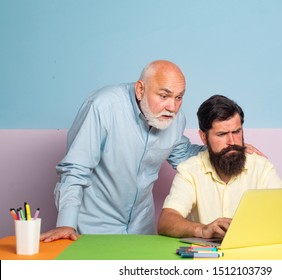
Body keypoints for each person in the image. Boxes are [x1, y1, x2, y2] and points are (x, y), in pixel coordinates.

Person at [41, 60, 263, 242]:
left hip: (142, 229)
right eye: (164, 96)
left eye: (178, 97)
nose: (173, 107)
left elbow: (183, 155)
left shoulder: (175, 119)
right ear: (140, 89)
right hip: (93, 228)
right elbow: (75, 170)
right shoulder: (102, 107)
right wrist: (66, 224)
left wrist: (227, 148)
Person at [158, 94, 282, 239]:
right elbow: (166, 221)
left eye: (236, 132)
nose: (231, 141)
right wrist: (202, 230)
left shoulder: (262, 168)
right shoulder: (190, 171)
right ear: (204, 137)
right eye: (222, 134)